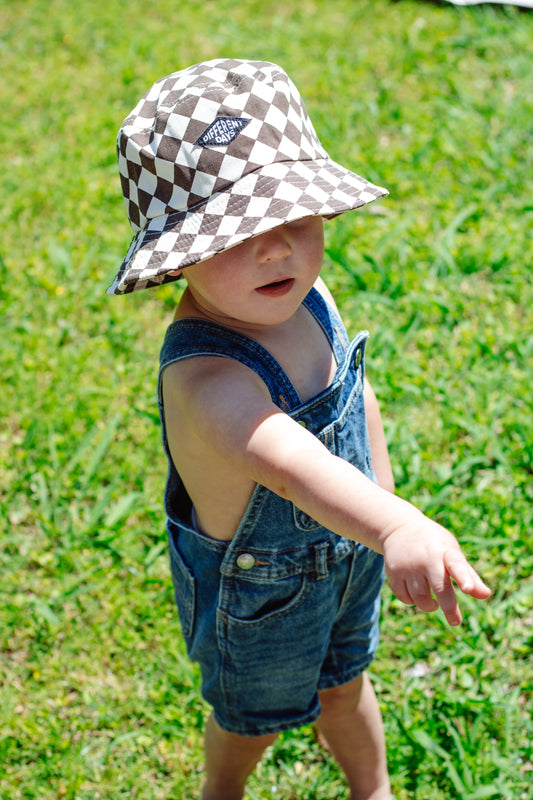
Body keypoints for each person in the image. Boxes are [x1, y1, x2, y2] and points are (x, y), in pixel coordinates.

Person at [107, 59, 490, 800]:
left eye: (295, 217)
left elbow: (354, 392)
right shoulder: (210, 382)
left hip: (350, 555)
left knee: (346, 685)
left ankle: (371, 789)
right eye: (237, 232)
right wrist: (394, 525)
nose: (277, 248)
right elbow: (291, 466)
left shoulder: (306, 295)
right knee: (251, 720)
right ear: (179, 253)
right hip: (260, 598)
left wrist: (383, 497)